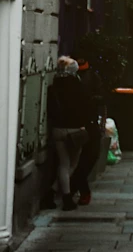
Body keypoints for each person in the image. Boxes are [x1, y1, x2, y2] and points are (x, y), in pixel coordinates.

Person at [47, 57, 93, 211]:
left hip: (58, 129)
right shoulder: (79, 87)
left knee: (63, 164)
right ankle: (66, 198)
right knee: (72, 164)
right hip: (75, 129)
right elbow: (86, 108)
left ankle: (51, 194)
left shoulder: (53, 86)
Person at [69, 56, 103, 206]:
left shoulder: (72, 79)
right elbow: (101, 98)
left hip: (74, 123)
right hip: (87, 123)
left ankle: (72, 189)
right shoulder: (91, 76)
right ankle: (75, 189)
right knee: (87, 158)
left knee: (72, 161)